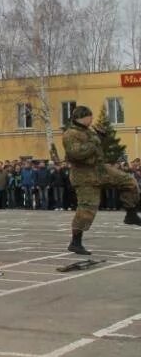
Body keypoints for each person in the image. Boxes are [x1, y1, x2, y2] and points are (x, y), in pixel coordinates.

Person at [62, 105, 141, 254]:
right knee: (87, 209)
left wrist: (101, 138)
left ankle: (130, 214)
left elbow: (95, 149)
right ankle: (75, 242)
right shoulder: (70, 134)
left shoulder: (88, 131)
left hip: (100, 169)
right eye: (90, 116)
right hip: (84, 175)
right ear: (82, 117)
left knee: (129, 182)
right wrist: (96, 140)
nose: (92, 119)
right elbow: (77, 153)